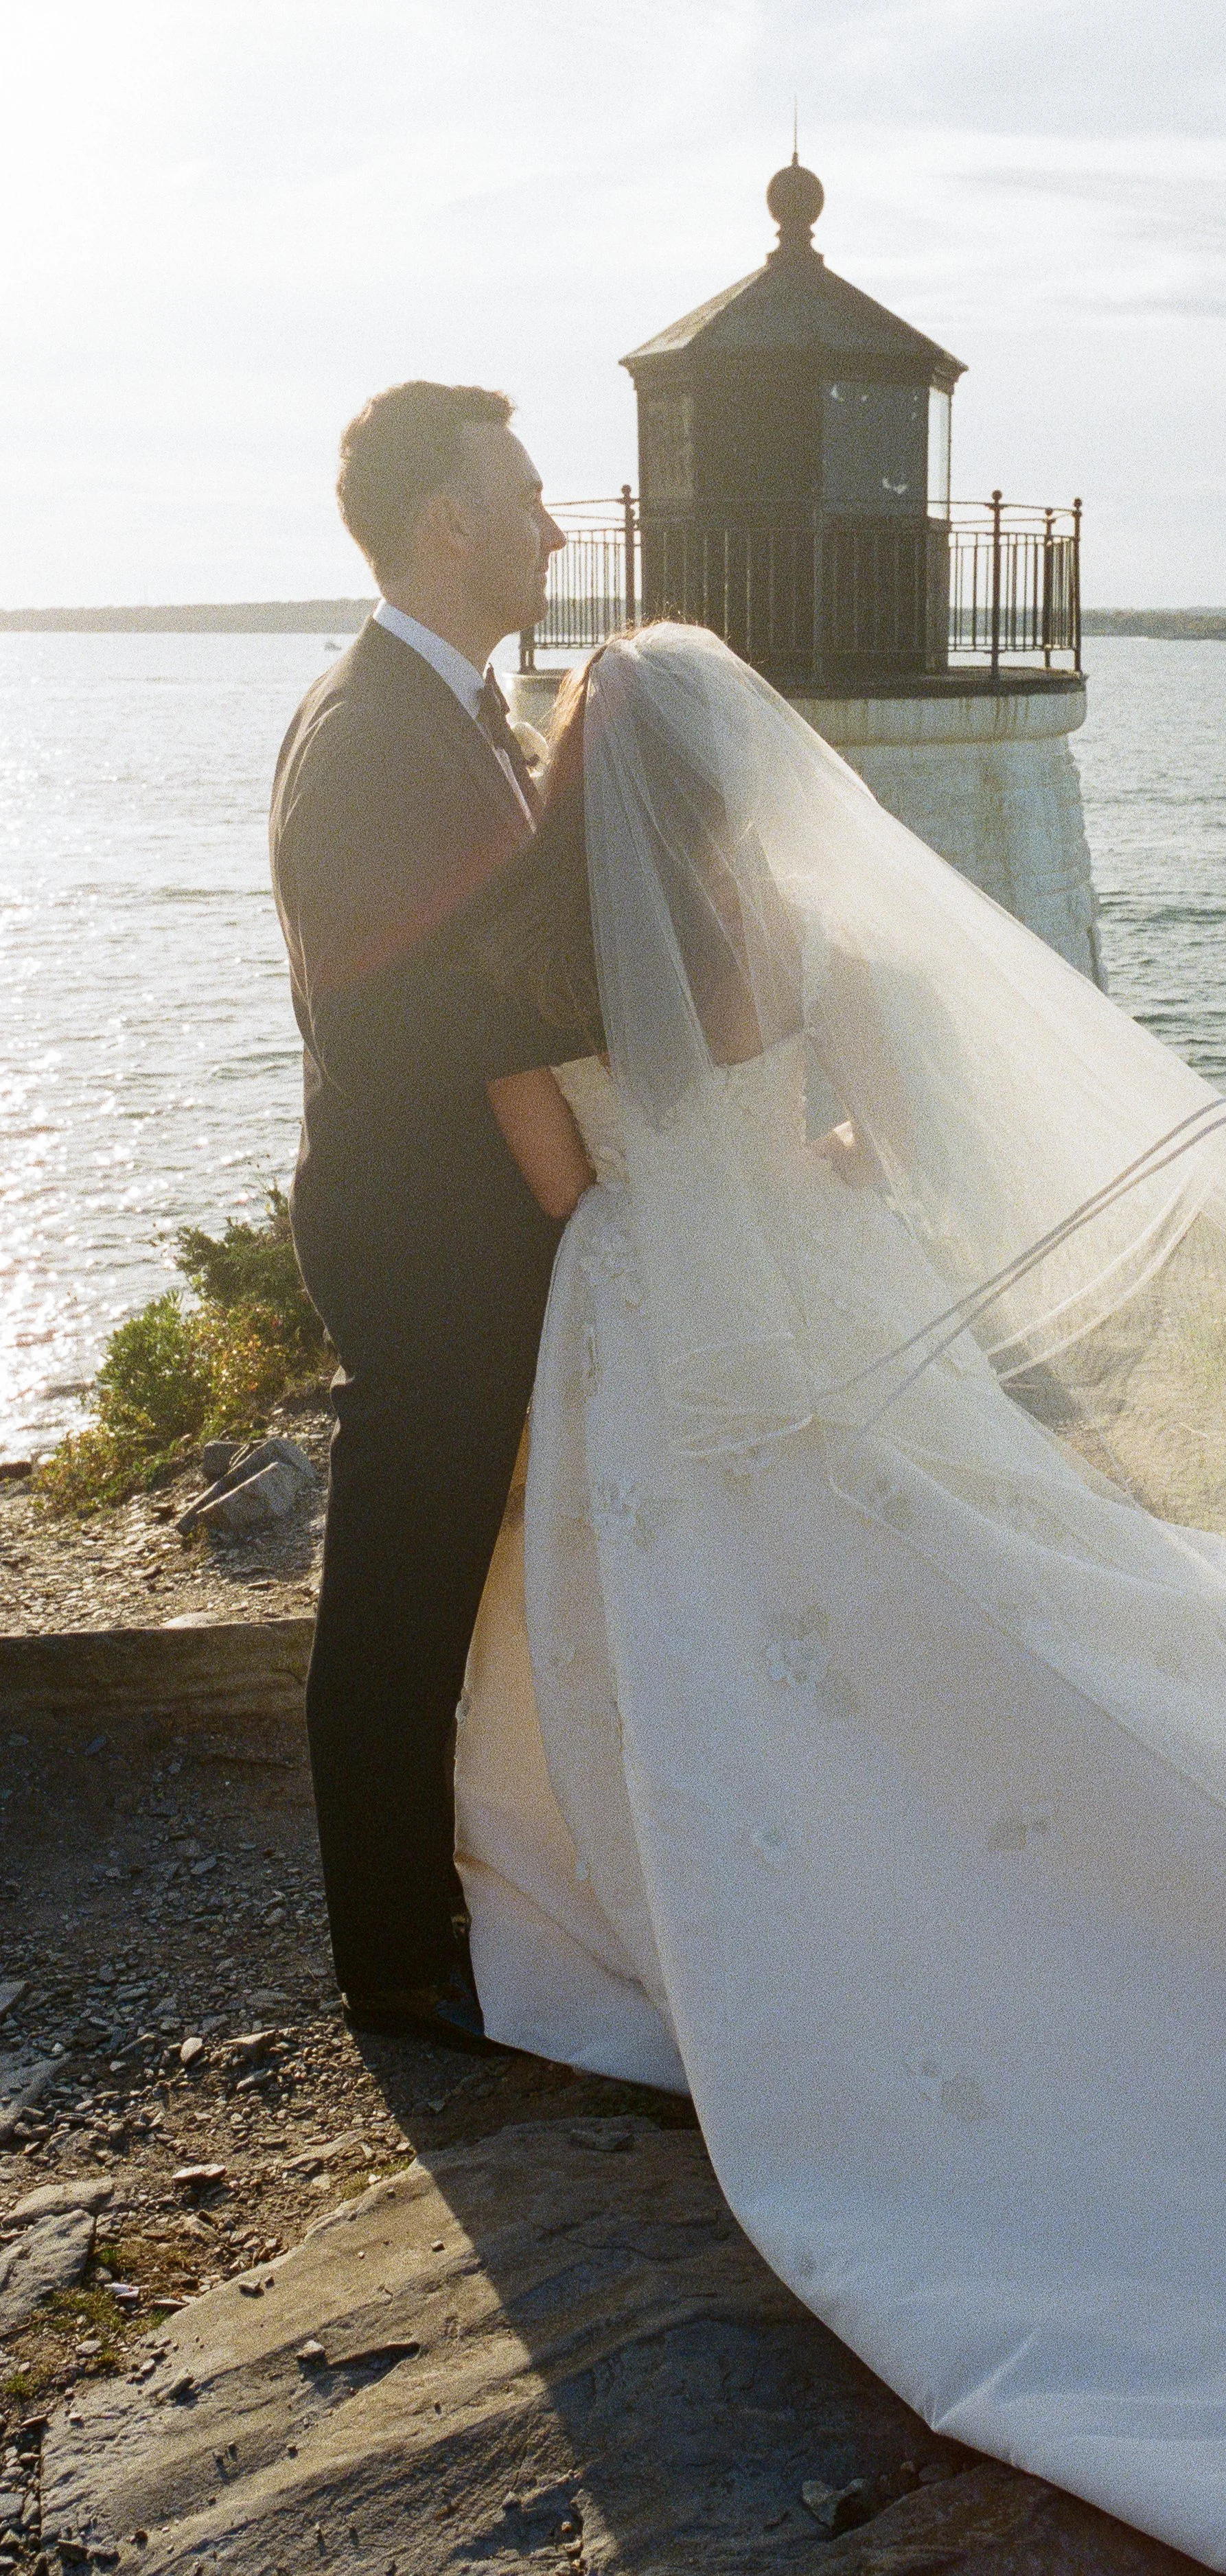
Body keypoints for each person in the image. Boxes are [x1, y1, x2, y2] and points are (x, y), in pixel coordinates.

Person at [451, 620, 1226, 2573]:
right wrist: (812, 1187)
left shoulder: (513, 952)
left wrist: (670, 1199)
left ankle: (715, 1926)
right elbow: (880, 1140)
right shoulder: (798, 939)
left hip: (639, 1328)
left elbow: (556, 1183)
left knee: (703, 1652)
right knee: (985, 1605)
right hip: (822, 1292)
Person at [269, 381, 600, 2048]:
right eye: (526, 495)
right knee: (400, 1582)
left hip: (477, 1221)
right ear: (444, 521)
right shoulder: (372, 729)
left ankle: (470, 1893)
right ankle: (395, 1957)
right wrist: (572, 1160)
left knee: (462, 1572)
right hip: (426, 1236)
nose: (555, 524)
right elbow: (399, 1009)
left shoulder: (447, 708)